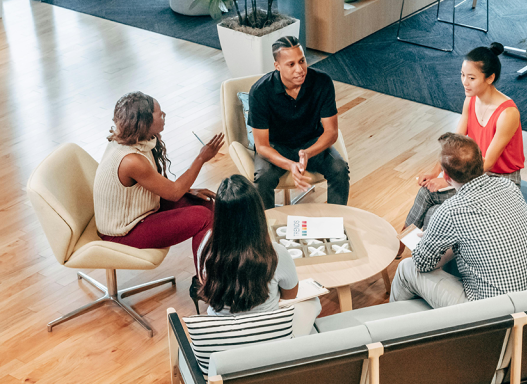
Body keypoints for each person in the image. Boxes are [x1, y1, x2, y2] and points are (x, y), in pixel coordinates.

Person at [390, 133, 527, 308]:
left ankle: (391, 329)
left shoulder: (451, 211)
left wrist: (430, 241)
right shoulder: (509, 187)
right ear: (482, 161)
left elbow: (422, 264)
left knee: (406, 269)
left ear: (446, 177)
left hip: (494, 314)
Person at [399, 42, 525, 256]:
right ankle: (400, 243)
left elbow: (488, 163)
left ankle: (425, 261)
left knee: (437, 213)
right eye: (462, 75)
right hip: (473, 173)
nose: (465, 82)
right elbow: (454, 143)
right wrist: (436, 172)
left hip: (500, 181)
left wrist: (448, 180)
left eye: (472, 78)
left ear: (490, 78)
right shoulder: (471, 99)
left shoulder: (508, 113)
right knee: (426, 192)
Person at [93, 91, 224, 278]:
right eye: (159, 113)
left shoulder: (136, 141)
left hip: (139, 211)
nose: (163, 116)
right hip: (123, 232)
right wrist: (201, 158)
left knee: (206, 204)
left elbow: (160, 186)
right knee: (203, 217)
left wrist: (188, 190)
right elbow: (174, 193)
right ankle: (208, 285)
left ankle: (220, 273)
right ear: (143, 121)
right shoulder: (131, 160)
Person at [197, 175, 321, 336]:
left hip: (222, 334)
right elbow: (290, 295)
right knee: (313, 302)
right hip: (267, 335)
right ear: (257, 213)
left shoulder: (207, 247)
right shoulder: (276, 253)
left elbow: (205, 282)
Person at [249, 36, 350, 209]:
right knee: (263, 178)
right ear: (277, 66)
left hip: (312, 143)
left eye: (302, 61)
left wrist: (308, 153)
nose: (300, 69)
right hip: (276, 145)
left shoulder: (322, 82)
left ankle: (335, 223)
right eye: (291, 64)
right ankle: (265, 228)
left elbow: (331, 132)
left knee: (340, 170)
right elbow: (262, 146)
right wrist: (290, 164)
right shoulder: (260, 92)